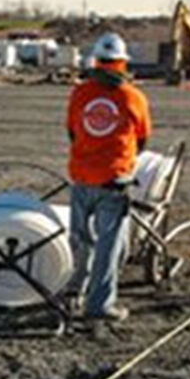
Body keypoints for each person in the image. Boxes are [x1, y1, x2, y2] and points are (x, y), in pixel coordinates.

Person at [64, 31, 152, 322]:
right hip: (112, 181)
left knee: (80, 240)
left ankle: (72, 291)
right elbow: (143, 138)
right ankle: (99, 305)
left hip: (80, 177)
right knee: (108, 246)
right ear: (122, 64)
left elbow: (72, 131)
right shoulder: (132, 97)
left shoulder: (80, 93)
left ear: (97, 62)